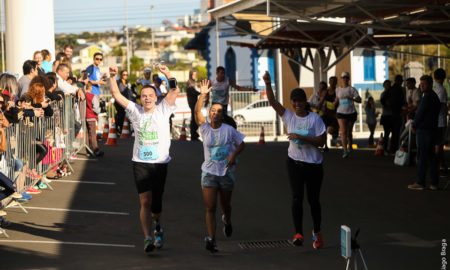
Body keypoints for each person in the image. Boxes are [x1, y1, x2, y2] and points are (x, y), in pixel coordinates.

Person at [108, 64, 179, 253]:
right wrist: (112, 76)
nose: (147, 98)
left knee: (156, 205)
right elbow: (116, 95)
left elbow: (174, 90)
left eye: (150, 96)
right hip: (140, 162)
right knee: (145, 202)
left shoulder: (163, 110)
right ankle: (147, 237)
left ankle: (157, 226)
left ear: (156, 97)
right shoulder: (135, 111)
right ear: (140, 98)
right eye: (144, 96)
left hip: (160, 163)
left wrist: (167, 73)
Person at [264, 71, 326, 249]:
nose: (297, 104)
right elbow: (273, 102)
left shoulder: (315, 119)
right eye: (294, 101)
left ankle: (317, 232)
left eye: (300, 101)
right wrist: (268, 83)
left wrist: (302, 136)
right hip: (294, 163)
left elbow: (322, 142)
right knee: (297, 198)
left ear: (305, 102)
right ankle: (298, 233)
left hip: (314, 165)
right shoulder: (289, 116)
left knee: (313, 201)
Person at [194, 79, 245, 253]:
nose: (216, 113)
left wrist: (233, 154)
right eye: (213, 111)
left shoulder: (229, 130)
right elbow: (196, 113)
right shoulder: (205, 128)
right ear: (210, 113)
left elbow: (241, 144)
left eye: (219, 111)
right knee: (210, 207)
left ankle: (227, 220)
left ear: (223, 115)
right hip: (208, 173)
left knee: (226, 206)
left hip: (226, 173)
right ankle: (212, 239)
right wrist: (202, 95)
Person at [408, 75, 440, 191]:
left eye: (424, 84)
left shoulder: (426, 98)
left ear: (430, 85)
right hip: (432, 129)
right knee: (432, 157)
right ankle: (434, 183)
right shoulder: (434, 97)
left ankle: (420, 182)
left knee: (421, 156)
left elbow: (420, 113)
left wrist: (414, 124)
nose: (421, 86)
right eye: (421, 84)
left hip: (424, 130)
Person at [335, 72, 361, 158]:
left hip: (351, 113)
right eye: (343, 78)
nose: (345, 79)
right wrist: (333, 103)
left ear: (348, 79)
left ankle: (350, 145)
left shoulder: (352, 89)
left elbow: (359, 100)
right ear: (341, 79)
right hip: (340, 113)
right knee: (343, 132)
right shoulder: (338, 90)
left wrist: (351, 98)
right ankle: (345, 150)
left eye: (346, 78)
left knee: (349, 132)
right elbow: (336, 100)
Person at [318, 76, 339, 149]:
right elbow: (321, 102)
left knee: (331, 130)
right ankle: (326, 145)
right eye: (331, 81)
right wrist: (318, 111)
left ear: (336, 82)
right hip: (326, 114)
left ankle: (334, 137)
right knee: (324, 130)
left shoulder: (338, 92)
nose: (332, 83)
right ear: (329, 82)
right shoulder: (325, 92)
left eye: (334, 81)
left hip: (335, 115)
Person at [433, 68, 447, 172]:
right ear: (444, 78)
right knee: (439, 143)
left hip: (432, 120)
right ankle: (439, 165)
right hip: (440, 120)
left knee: (436, 143)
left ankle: (441, 164)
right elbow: (440, 105)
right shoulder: (441, 89)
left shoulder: (432, 86)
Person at [85, 82, 104, 157]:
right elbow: (96, 109)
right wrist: (99, 110)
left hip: (84, 116)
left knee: (87, 134)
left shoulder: (83, 95)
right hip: (91, 117)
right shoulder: (92, 96)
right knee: (93, 134)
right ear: (90, 87)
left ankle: (88, 149)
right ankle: (96, 150)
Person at [186, 69, 200, 141]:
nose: (195, 76)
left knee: (195, 118)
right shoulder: (190, 83)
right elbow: (193, 91)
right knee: (194, 119)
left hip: (194, 101)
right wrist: (201, 92)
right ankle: (193, 134)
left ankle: (194, 133)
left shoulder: (193, 82)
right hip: (192, 102)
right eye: (194, 74)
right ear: (191, 75)